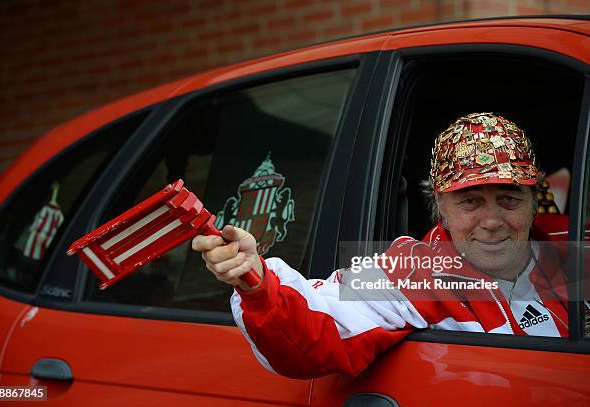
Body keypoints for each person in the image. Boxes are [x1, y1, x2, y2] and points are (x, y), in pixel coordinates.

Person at [192, 112, 570, 379]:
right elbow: (317, 325)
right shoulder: (416, 273)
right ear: (440, 207)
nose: (491, 221)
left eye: (509, 199)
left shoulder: (568, 247)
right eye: (469, 201)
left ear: (533, 201)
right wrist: (257, 281)